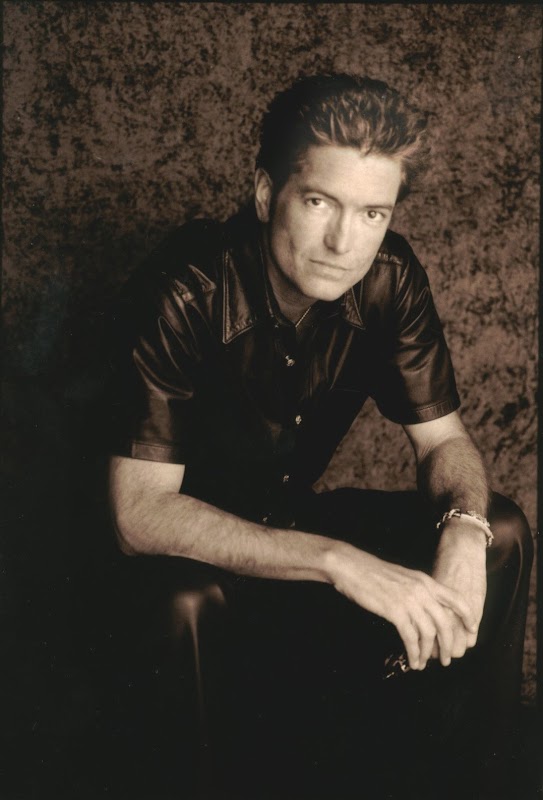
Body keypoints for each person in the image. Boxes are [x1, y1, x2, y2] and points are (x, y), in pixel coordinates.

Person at [106, 74, 533, 799]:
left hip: (285, 525)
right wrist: (338, 562)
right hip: (162, 567)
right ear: (264, 193)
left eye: (372, 212)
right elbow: (138, 516)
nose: (344, 241)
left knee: (501, 528)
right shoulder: (181, 291)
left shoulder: (390, 277)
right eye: (318, 202)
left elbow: (443, 443)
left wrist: (464, 529)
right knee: (186, 600)